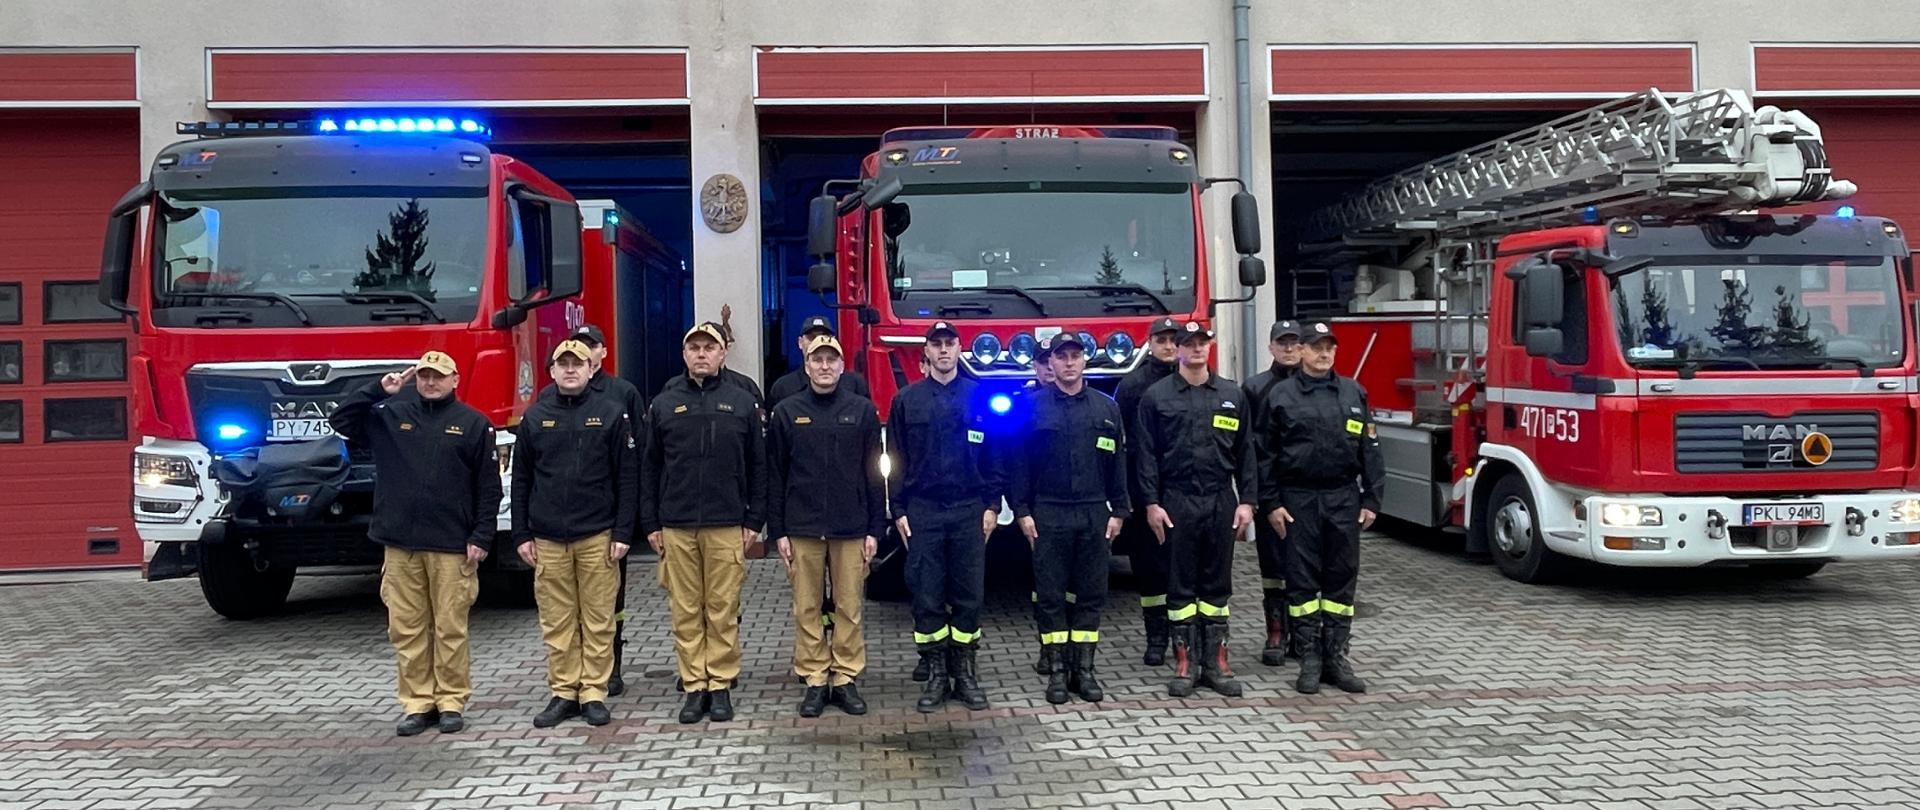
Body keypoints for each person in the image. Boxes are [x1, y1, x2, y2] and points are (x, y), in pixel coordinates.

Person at [330, 351, 501, 736]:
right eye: (424, 376)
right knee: (407, 628)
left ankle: (452, 700)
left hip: (452, 545)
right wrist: (378, 389)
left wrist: (481, 536)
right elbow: (340, 419)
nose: (430, 382)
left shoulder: (474, 425)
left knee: (449, 627)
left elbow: (488, 489)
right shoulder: (389, 416)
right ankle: (418, 702)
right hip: (400, 544)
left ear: (455, 379)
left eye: (438, 376)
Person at [642, 322, 766, 724]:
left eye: (708, 348)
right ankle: (694, 685)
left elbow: (758, 467)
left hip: (727, 523)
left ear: (722, 353)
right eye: (693, 347)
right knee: (685, 610)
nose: (701, 354)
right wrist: (651, 524)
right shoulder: (663, 403)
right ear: (684, 355)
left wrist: (754, 519)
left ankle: (721, 684)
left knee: (722, 609)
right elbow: (650, 468)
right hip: (677, 524)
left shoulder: (741, 401)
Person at [511, 340, 639, 728]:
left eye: (577, 364)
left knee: (598, 619)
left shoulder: (612, 413)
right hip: (548, 538)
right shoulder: (535, 418)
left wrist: (623, 531)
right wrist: (521, 534)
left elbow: (627, 477)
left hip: (597, 535)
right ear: (552, 371)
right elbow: (521, 480)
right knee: (557, 620)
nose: (570, 370)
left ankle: (595, 692)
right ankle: (564, 692)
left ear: (591, 369)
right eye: (562, 364)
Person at [1260, 322, 1386, 695]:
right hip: (1298, 500)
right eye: (1316, 347)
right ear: (1301, 351)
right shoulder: (1280, 395)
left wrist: (1372, 499)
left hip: (1342, 498)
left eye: (1329, 347)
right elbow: (1264, 456)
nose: (1324, 353)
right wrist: (1272, 503)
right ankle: (1309, 659)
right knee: (1301, 581)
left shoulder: (1352, 392)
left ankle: (1336, 657)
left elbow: (1371, 449)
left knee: (1341, 579)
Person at [1134, 322, 1257, 697]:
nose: (1197, 349)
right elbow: (1146, 456)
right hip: (1176, 500)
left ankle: (1216, 663)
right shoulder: (1156, 397)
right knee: (1181, 584)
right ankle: (1185, 664)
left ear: (1210, 347)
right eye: (1189, 344)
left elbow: (1247, 453)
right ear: (1179, 350)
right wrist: (1151, 503)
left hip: (1220, 499)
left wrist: (1248, 502)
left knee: (1217, 583)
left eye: (1203, 342)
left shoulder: (1232, 395)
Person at [768, 334, 886, 717]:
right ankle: (815, 678)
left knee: (850, 606)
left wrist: (874, 529)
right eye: (817, 359)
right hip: (801, 527)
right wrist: (779, 531)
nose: (824, 366)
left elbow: (874, 474)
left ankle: (845, 677)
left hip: (851, 526)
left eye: (831, 360)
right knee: (807, 607)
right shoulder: (787, 411)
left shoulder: (862, 411)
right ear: (806, 364)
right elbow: (775, 475)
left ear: (841, 366)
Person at [1008, 333, 1128, 705]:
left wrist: (1119, 510)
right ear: (1051, 364)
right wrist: (1023, 511)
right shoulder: (1032, 408)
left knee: (1092, 594)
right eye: (1062, 357)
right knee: (1050, 595)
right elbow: (1019, 465)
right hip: (1048, 512)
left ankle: (1084, 671)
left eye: (1075, 356)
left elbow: (1118, 464)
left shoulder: (1106, 408)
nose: (1069, 363)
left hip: (1094, 512)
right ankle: (1058, 672)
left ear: (1084, 361)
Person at [888, 322, 1000, 713]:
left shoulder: (979, 397)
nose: (944, 350)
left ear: (959, 349)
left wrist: (992, 505)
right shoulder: (906, 401)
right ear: (927, 353)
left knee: (969, 594)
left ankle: (964, 672)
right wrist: (898, 509)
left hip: (970, 508)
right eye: (936, 345)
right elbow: (895, 459)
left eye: (950, 343)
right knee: (927, 593)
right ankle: (936, 674)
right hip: (924, 509)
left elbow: (994, 457)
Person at [568, 323, 645, 697]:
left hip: (610, 517)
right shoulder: (557, 395)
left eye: (591, 346)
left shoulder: (623, 393)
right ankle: (575, 673)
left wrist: (630, 521)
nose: (585, 352)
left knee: (611, 600)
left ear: (602, 353)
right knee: (570, 606)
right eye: (578, 345)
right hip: (568, 521)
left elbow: (638, 456)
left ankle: (610, 667)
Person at [1114, 317, 1181, 666]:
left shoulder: (1195, 382)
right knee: (1150, 568)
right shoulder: (1132, 386)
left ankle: (1186, 639)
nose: (1168, 346)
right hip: (1145, 492)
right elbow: (1123, 443)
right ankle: (1156, 639)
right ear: (1149, 342)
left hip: (1184, 491)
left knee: (1184, 568)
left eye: (1174, 340)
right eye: (1162, 340)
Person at [1244, 320, 1303, 666]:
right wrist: (1255, 499)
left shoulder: (1317, 386)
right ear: (1271, 348)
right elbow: (1248, 448)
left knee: (1306, 568)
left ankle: (1304, 633)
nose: (1289, 349)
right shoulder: (1254, 388)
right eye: (1282, 343)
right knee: (1274, 566)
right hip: (1272, 492)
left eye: (1295, 342)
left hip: (1308, 493)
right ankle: (1276, 633)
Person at [768, 315, 871, 404]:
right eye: (812, 338)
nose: (818, 341)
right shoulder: (783, 387)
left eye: (824, 336)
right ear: (800, 342)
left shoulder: (855, 384)